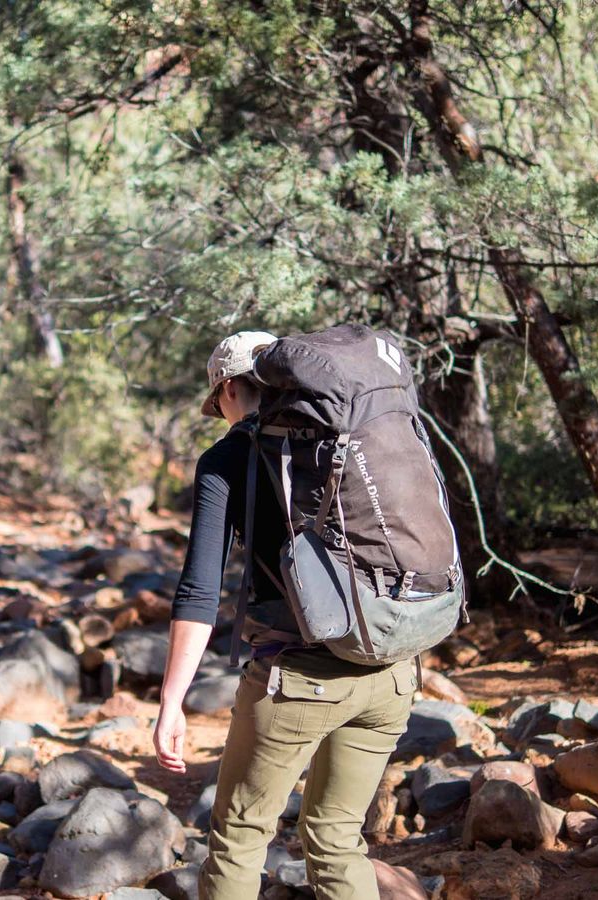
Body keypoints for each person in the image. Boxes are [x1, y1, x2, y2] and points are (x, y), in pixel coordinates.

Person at [153, 330, 418, 900]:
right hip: (392, 672)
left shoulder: (228, 457)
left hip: (298, 679)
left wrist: (172, 701)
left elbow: (200, 591)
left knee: (239, 839)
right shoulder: (355, 436)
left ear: (227, 389)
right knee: (339, 840)